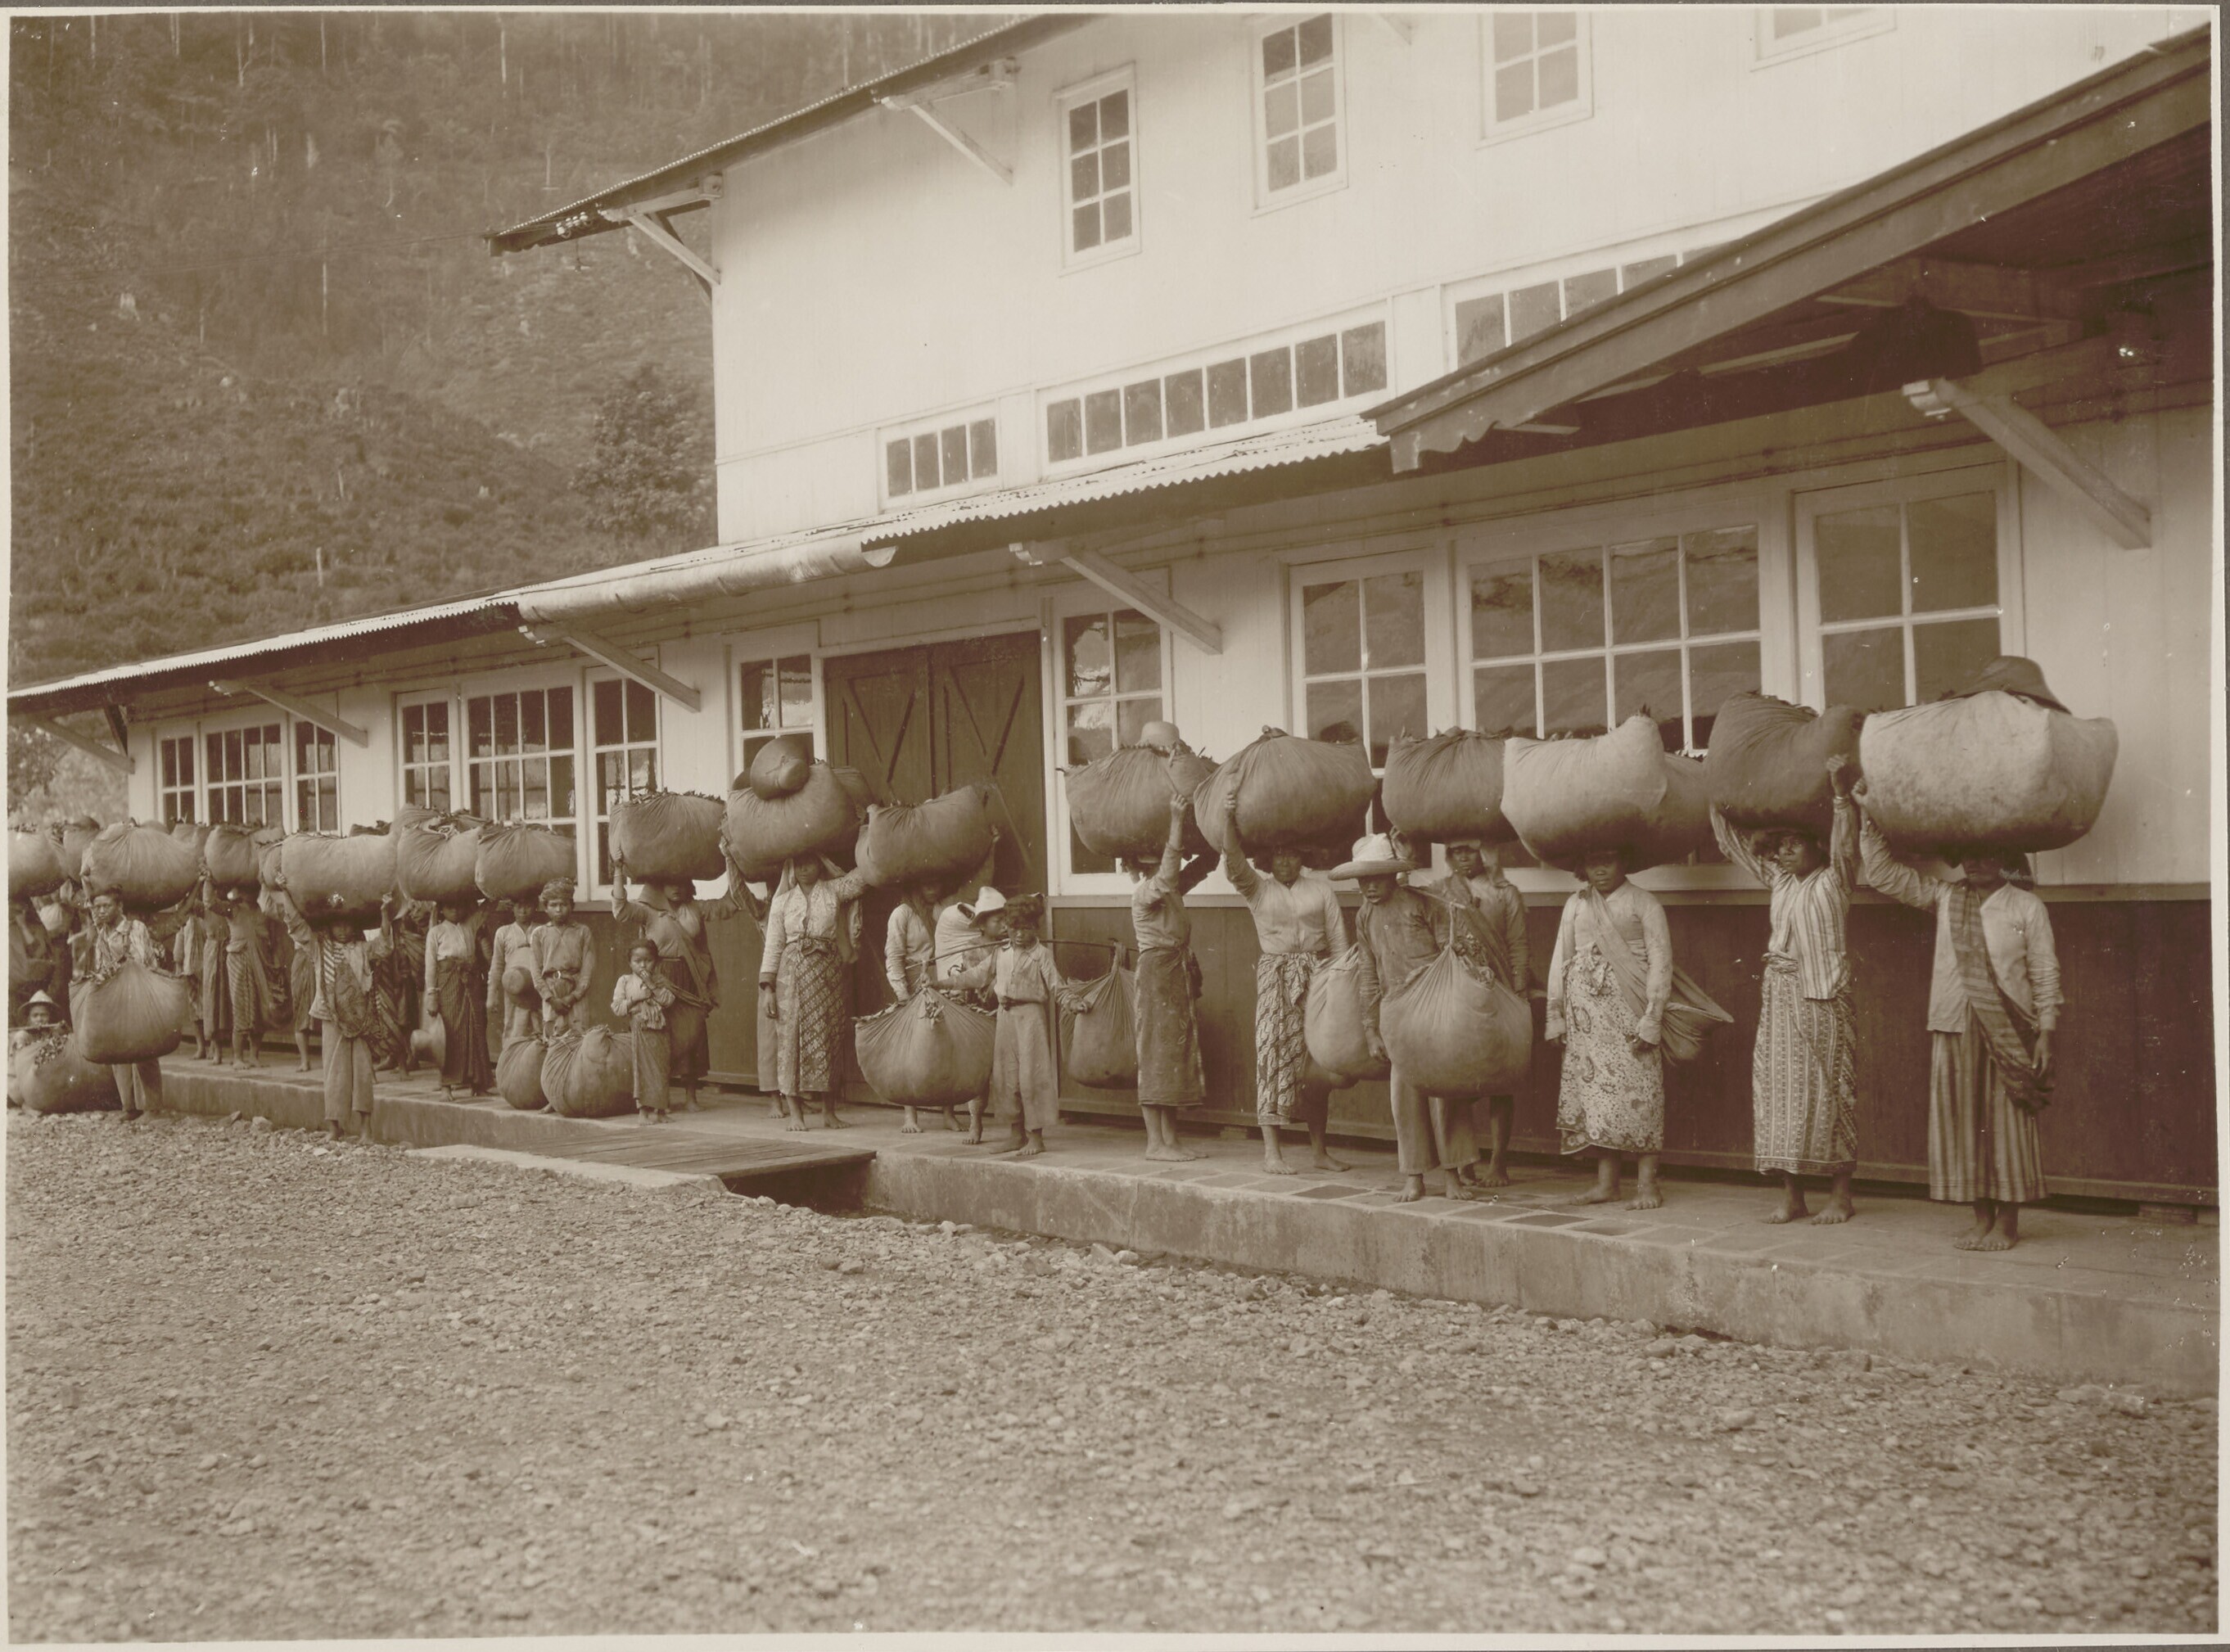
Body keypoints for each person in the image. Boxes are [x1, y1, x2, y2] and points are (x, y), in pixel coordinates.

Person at [1858, 792, 2061, 1253]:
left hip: (2007, 1030)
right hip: (1952, 1024)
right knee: (1963, 1123)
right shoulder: (1948, 898)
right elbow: (1884, 875)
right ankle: (1981, 1219)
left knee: (2006, 1125)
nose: (1975, 862)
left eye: (1985, 854)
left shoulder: (2026, 907)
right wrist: (1868, 813)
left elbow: (2045, 972)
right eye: (1967, 854)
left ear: (2005, 858)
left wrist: (2047, 1031)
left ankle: (2007, 1223)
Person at [1711, 756, 1862, 1224]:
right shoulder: (1779, 880)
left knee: (1832, 1093)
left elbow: (1847, 843)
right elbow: (1735, 845)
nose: (1786, 852)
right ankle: (1793, 1195)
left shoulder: (1835, 879)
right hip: (1779, 997)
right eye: (1781, 846)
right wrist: (1715, 797)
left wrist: (1840, 793)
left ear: (1817, 846)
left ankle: (1841, 1196)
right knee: (1781, 1095)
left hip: (1823, 997)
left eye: (1796, 843)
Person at [1342, 833, 1480, 1204]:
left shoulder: (1424, 905)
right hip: (1395, 1014)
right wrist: (1371, 1029)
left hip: (1436, 1010)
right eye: (1363, 881)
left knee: (1444, 1094)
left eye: (1377, 879)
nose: (1370, 888)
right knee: (1404, 1098)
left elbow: (1452, 956)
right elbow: (1368, 973)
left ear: (1393, 876)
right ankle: (1414, 1177)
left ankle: (1452, 1175)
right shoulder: (1365, 916)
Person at [1221, 797, 1351, 1176]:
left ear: (1301, 858)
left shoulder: (1321, 891)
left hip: (1317, 975)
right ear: (1269, 859)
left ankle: (1320, 1152)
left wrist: (1339, 983)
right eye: (1278, 855)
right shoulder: (1258, 890)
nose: (1285, 862)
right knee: (1272, 1056)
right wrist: (1228, 818)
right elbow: (1233, 862)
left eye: (1292, 855)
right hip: (1275, 978)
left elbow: (1338, 940)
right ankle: (1272, 1154)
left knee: (1317, 1065)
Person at [1545, 846, 1675, 1210]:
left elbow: (1661, 961)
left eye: (1608, 861)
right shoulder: (1576, 904)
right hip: (1586, 1018)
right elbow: (1561, 957)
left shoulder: (1644, 902)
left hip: (1631, 1011)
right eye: (1592, 862)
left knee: (1642, 1093)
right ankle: (1607, 1184)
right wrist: (1555, 1013)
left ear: (1624, 862)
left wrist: (1652, 1017)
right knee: (1598, 1097)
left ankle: (1647, 1185)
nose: (1600, 870)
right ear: (1582, 866)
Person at [612, 851, 762, 1113]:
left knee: (694, 1035)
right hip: (660, 980)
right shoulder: (649, 912)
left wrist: (732, 861)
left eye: (682, 883)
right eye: (671, 883)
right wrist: (617, 870)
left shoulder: (696, 909)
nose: (677, 888)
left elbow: (729, 903)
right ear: (660, 885)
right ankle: (661, 1097)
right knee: (661, 1035)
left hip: (690, 978)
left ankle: (692, 1096)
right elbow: (621, 909)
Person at [1424, 837, 1533, 1189]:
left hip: (1497, 989)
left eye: (1469, 850)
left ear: (1485, 851)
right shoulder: (1439, 891)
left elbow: (1517, 944)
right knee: (1454, 1078)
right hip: (1456, 992)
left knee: (1502, 1080)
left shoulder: (1505, 893)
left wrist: (1518, 993)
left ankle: (1499, 1162)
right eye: (1456, 851)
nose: (1464, 857)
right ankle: (1463, 1161)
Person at [950, 894, 1081, 1158]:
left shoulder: (1040, 955)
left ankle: (1035, 1137)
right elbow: (977, 976)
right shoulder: (1001, 952)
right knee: (1007, 1077)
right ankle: (1015, 1134)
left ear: (1035, 928)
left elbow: (1056, 985)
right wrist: (942, 983)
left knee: (1031, 1077)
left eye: (1026, 928)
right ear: (1007, 927)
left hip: (1030, 1018)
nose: (1020, 934)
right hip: (1005, 1017)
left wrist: (1072, 1002)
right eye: (1014, 928)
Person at [1126, 794, 1216, 1161]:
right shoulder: (1146, 893)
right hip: (1157, 977)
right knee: (1156, 1056)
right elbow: (1168, 875)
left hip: (1174, 975)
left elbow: (1203, 866)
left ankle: (1171, 1140)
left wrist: (1217, 826)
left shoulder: (1171, 890)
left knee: (1174, 1055)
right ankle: (1154, 1144)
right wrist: (1177, 821)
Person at [272, 884, 395, 1140]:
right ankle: (335, 1127)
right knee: (334, 1072)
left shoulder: (362, 949)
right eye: (337, 924)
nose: (343, 930)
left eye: (348, 924)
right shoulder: (320, 949)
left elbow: (384, 946)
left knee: (362, 1073)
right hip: (332, 1018)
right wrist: (285, 892)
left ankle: (366, 1128)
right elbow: (297, 927)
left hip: (360, 1020)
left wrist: (385, 913)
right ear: (329, 926)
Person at [758, 854, 869, 1131]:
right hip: (791, 976)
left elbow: (862, 879)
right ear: (791, 868)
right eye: (799, 864)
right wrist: (768, 989)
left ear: (820, 865)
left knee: (828, 1037)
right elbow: (773, 945)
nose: (804, 869)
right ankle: (796, 1114)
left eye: (810, 863)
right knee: (790, 1039)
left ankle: (829, 1112)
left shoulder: (834, 891)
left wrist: (867, 835)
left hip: (826, 974)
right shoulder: (783, 902)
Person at [68, 887, 190, 1122]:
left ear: (119, 907)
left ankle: (153, 1108)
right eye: (97, 907)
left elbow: (141, 962)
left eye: (106, 906)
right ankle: (129, 1107)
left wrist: (112, 971)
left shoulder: (135, 929)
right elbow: (100, 965)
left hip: (138, 992)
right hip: (115, 996)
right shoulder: (102, 934)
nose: (101, 911)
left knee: (144, 1049)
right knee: (116, 1050)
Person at [933, 887, 1007, 1141]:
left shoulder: (1009, 946)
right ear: (982, 925)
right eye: (998, 921)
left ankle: (1016, 1125)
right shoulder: (972, 949)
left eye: (1006, 920)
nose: (1004, 925)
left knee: (1008, 1070)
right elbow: (974, 983)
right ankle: (976, 1121)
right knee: (979, 1073)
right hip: (981, 1014)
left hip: (1006, 1012)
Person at [424, 896, 496, 1099]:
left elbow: (487, 909)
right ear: (441, 910)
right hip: (448, 983)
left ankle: (478, 1084)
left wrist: (493, 890)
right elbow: (430, 966)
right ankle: (446, 1085)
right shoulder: (435, 932)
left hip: (471, 982)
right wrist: (432, 994)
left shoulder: (470, 924)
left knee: (476, 1029)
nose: (455, 910)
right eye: (449, 907)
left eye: (458, 906)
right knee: (450, 1032)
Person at [614, 939, 678, 1125]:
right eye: (637, 961)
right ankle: (643, 1112)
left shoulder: (660, 980)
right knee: (642, 1070)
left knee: (662, 1071)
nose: (643, 965)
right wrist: (636, 998)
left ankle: (660, 1111)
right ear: (630, 963)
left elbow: (668, 1000)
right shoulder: (625, 981)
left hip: (661, 1030)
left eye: (648, 961)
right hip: (640, 1030)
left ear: (655, 962)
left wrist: (652, 985)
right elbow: (618, 1008)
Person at [221, 884, 282, 1070]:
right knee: (240, 1010)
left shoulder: (264, 913)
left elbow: (274, 942)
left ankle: (254, 1056)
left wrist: (276, 966)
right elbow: (210, 903)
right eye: (246, 890)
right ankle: (238, 1058)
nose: (249, 893)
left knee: (260, 1012)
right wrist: (207, 881)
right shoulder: (232, 909)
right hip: (239, 962)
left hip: (262, 963)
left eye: (253, 889)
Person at [530, 879, 598, 1038]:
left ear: (572, 906)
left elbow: (587, 971)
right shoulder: (539, 934)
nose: (559, 910)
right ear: (546, 908)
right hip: (551, 990)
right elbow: (536, 973)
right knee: (553, 1038)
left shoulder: (583, 932)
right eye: (553, 905)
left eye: (563, 904)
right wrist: (550, 999)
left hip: (576, 990)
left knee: (579, 1035)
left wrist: (574, 996)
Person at [486, 897, 542, 1045]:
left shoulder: (542, 931)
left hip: (538, 987)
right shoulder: (503, 932)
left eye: (528, 906)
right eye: (519, 906)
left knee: (540, 1027)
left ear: (535, 906)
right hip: (514, 989)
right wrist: (492, 994)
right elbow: (497, 964)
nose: (523, 911)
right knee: (514, 1028)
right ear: (512, 908)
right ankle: (512, 1056)